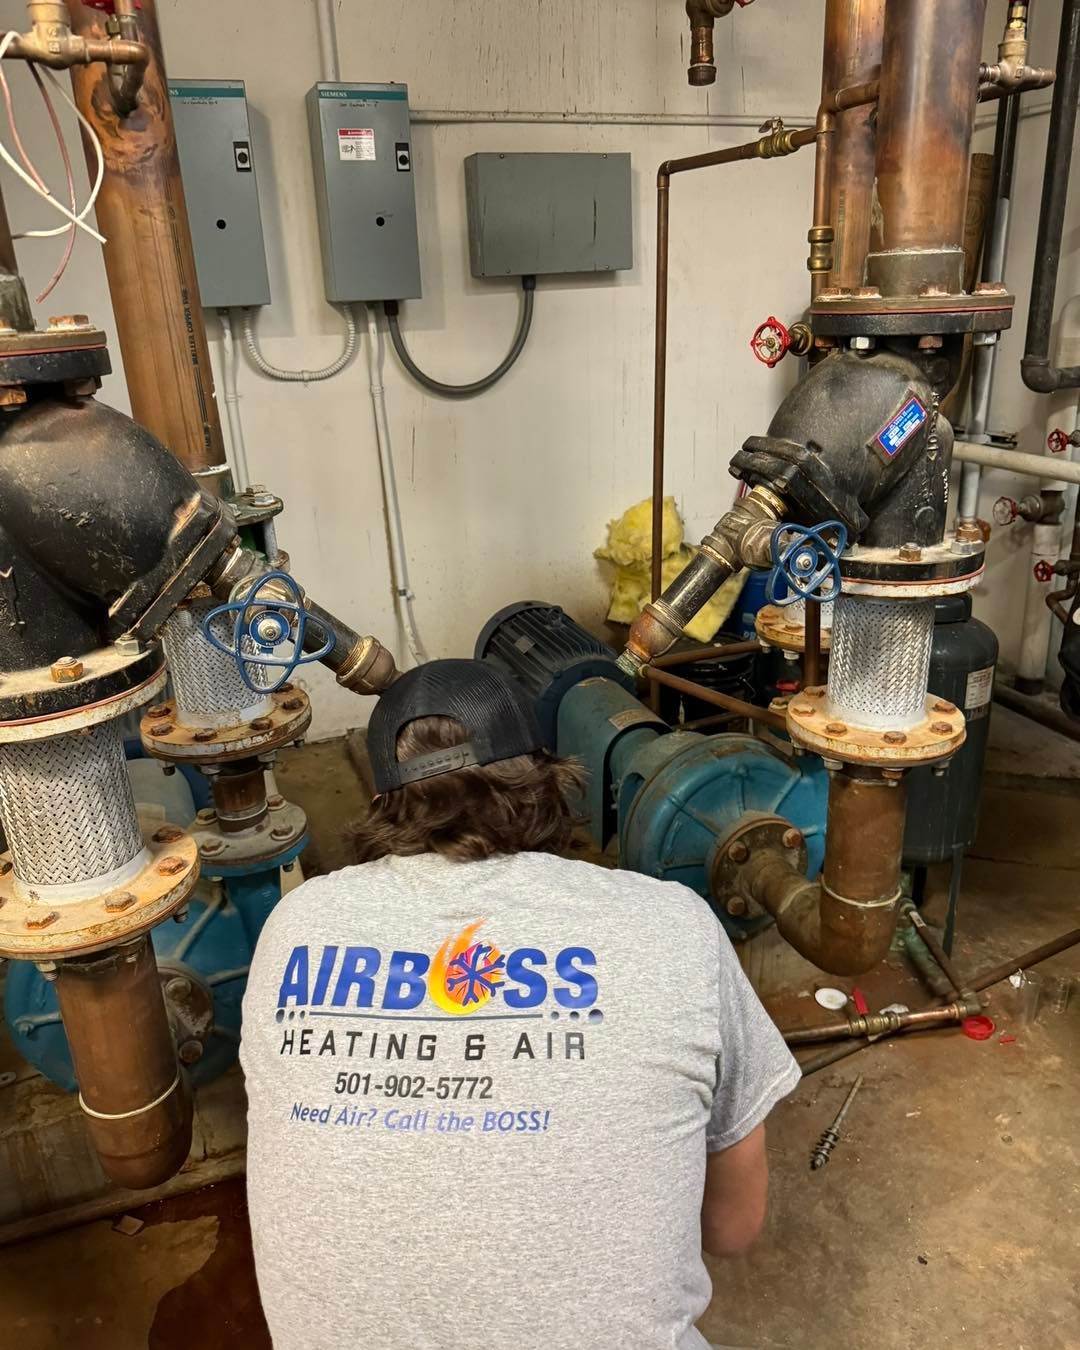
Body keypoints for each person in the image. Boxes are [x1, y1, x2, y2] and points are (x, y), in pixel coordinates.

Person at [240, 658, 800, 1349]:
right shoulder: (670, 924)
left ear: (382, 799)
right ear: (545, 777)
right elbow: (732, 1229)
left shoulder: (298, 927)